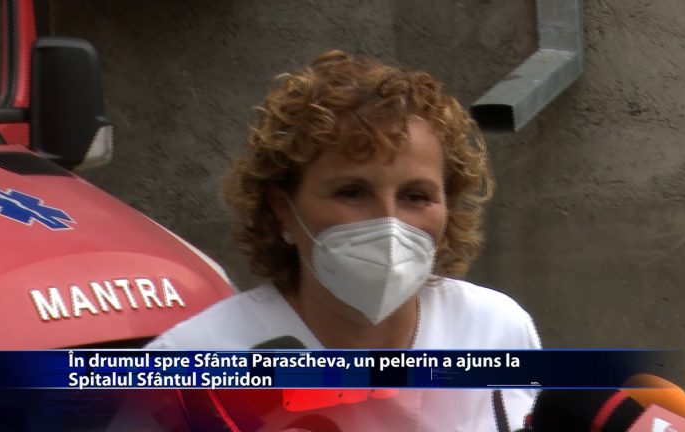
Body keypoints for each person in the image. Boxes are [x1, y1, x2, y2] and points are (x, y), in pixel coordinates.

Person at [147, 50, 541, 431]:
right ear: (283, 208)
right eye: (352, 192)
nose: (389, 223)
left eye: (415, 196)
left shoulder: (494, 330)